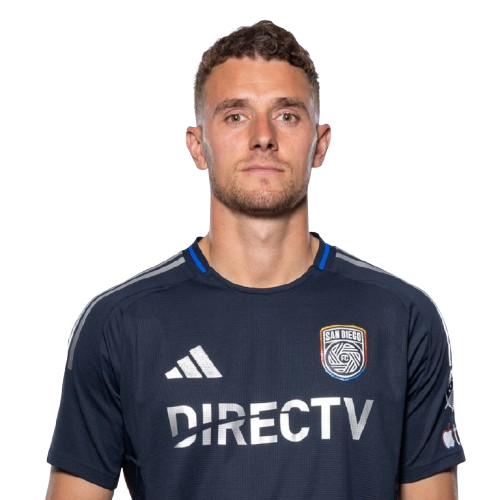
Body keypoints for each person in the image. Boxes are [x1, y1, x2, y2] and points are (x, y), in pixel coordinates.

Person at [45, 19, 466, 500]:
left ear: (320, 144)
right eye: (235, 116)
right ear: (197, 146)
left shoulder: (402, 317)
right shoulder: (120, 324)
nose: (263, 136)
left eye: (286, 115)